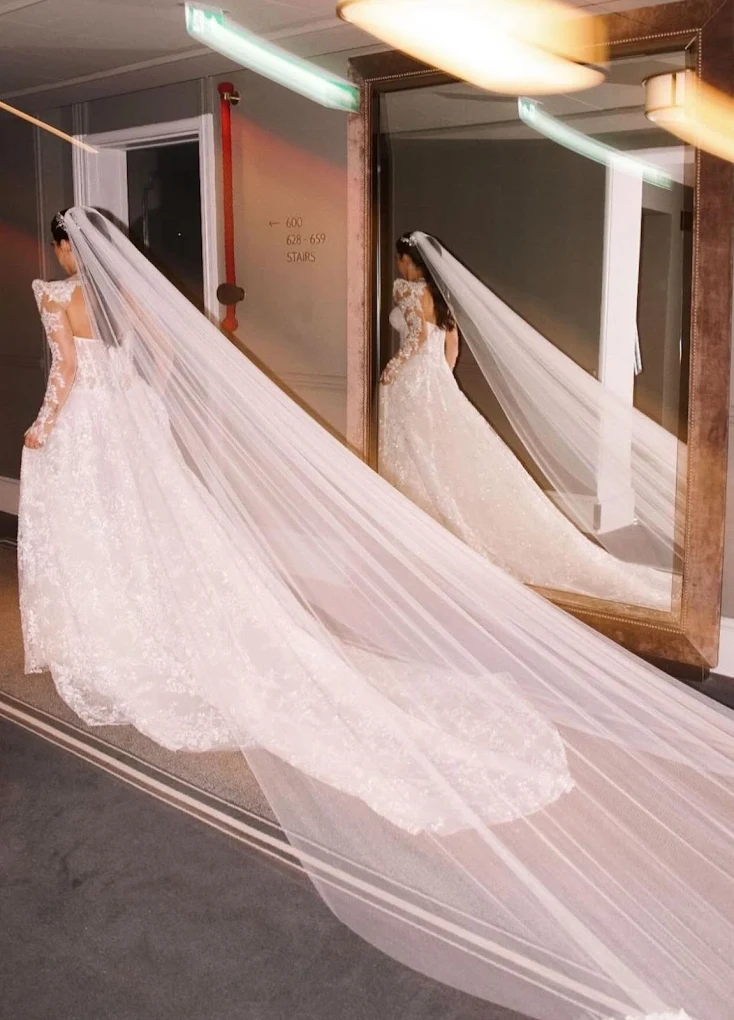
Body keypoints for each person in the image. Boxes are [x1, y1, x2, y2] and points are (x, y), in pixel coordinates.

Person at [17, 208, 734, 1020]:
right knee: (146, 535)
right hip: (132, 425)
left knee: (101, 535)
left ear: (69, 248)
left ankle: (104, 633)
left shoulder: (58, 295)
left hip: (90, 432)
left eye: (65, 244)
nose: (65, 253)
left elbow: (61, 383)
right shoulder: (124, 304)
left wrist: (43, 432)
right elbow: (169, 354)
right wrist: (141, 398)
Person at [379, 233, 673, 608]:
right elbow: (451, 349)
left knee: (415, 454)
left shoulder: (404, 289)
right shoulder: (440, 297)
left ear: (409, 260)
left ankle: (414, 536)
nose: (397, 265)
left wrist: (394, 370)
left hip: (412, 383)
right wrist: (440, 383)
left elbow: (415, 339)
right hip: (436, 380)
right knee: (445, 456)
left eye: (400, 259)